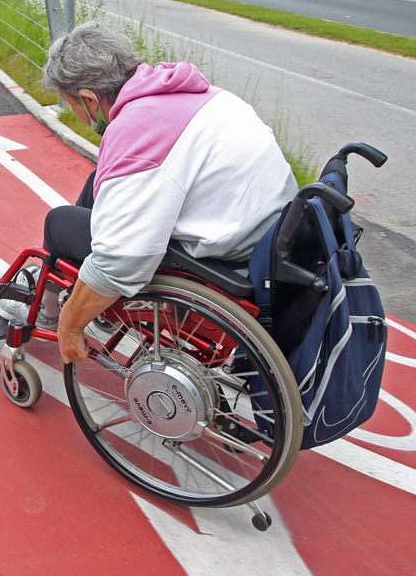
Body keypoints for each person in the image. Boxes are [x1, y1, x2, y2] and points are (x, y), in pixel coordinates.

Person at [37, 22, 298, 366]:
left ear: (88, 99)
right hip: (273, 233)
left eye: (72, 103)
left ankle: (51, 309)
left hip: (230, 258)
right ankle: (57, 286)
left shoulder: (136, 131)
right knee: (97, 181)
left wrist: (71, 325)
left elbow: (122, 262)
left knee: (59, 222)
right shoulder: (202, 94)